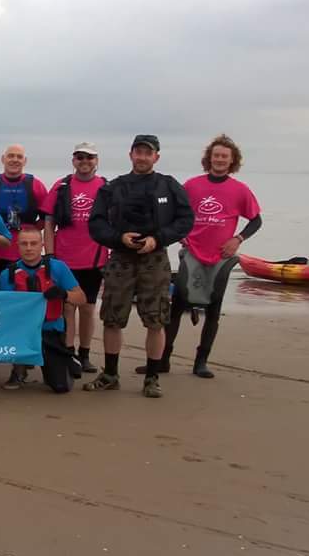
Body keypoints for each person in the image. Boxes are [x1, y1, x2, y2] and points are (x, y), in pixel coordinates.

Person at [140, 134, 262, 379]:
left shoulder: (240, 190)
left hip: (221, 255)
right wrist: (180, 235)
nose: (219, 159)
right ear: (209, 158)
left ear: (232, 161)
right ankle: (163, 359)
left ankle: (201, 361)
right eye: (216, 155)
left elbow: (256, 220)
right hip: (193, 251)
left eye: (224, 156)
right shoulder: (193, 185)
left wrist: (237, 239)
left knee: (214, 307)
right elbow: (174, 213)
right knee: (179, 303)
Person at [84, 134, 194, 398]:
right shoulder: (113, 188)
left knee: (156, 320)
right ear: (130, 154)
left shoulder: (168, 186)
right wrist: (118, 238)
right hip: (120, 258)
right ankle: (110, 374)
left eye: (148, 153)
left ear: (156, 156)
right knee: (112, 318)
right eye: (138, 152)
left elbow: (186, 219)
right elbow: (96, 224)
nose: (142, 157)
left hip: (154, 259)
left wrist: (158, 239)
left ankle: (153, 378)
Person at [42, 142, 108, 374]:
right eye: (80, 157)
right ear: (73, 161)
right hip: (65, 258)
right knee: (67, 307)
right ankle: (68, 353)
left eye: (89, 158)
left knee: (89, 308)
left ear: (96, 161)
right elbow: (49, 222)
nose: (85, 162)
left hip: (94, 258)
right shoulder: (61, 186)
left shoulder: (105, 187)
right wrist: (49, 255)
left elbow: (114, 223)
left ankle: (85, 353)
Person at [0, 228, 86, 393]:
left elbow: (81, 298)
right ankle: (19, 369)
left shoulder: (58, 268)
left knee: (61, 387)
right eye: (24, 244)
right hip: (22, 332)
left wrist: (64, 293)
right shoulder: (7, 274)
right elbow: (3, 310)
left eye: (33, 243)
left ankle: (64, 357)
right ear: (17, 246)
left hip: (51, 330)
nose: (29, 248)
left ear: (42, 245)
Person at [0, 144, 49, 275]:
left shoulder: (35, 185)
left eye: (19, 157)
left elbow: (47, 218)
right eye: (11, 156)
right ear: (3, 159)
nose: (15, 160)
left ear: (25, 161)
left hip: (27, 252)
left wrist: (31, 231)